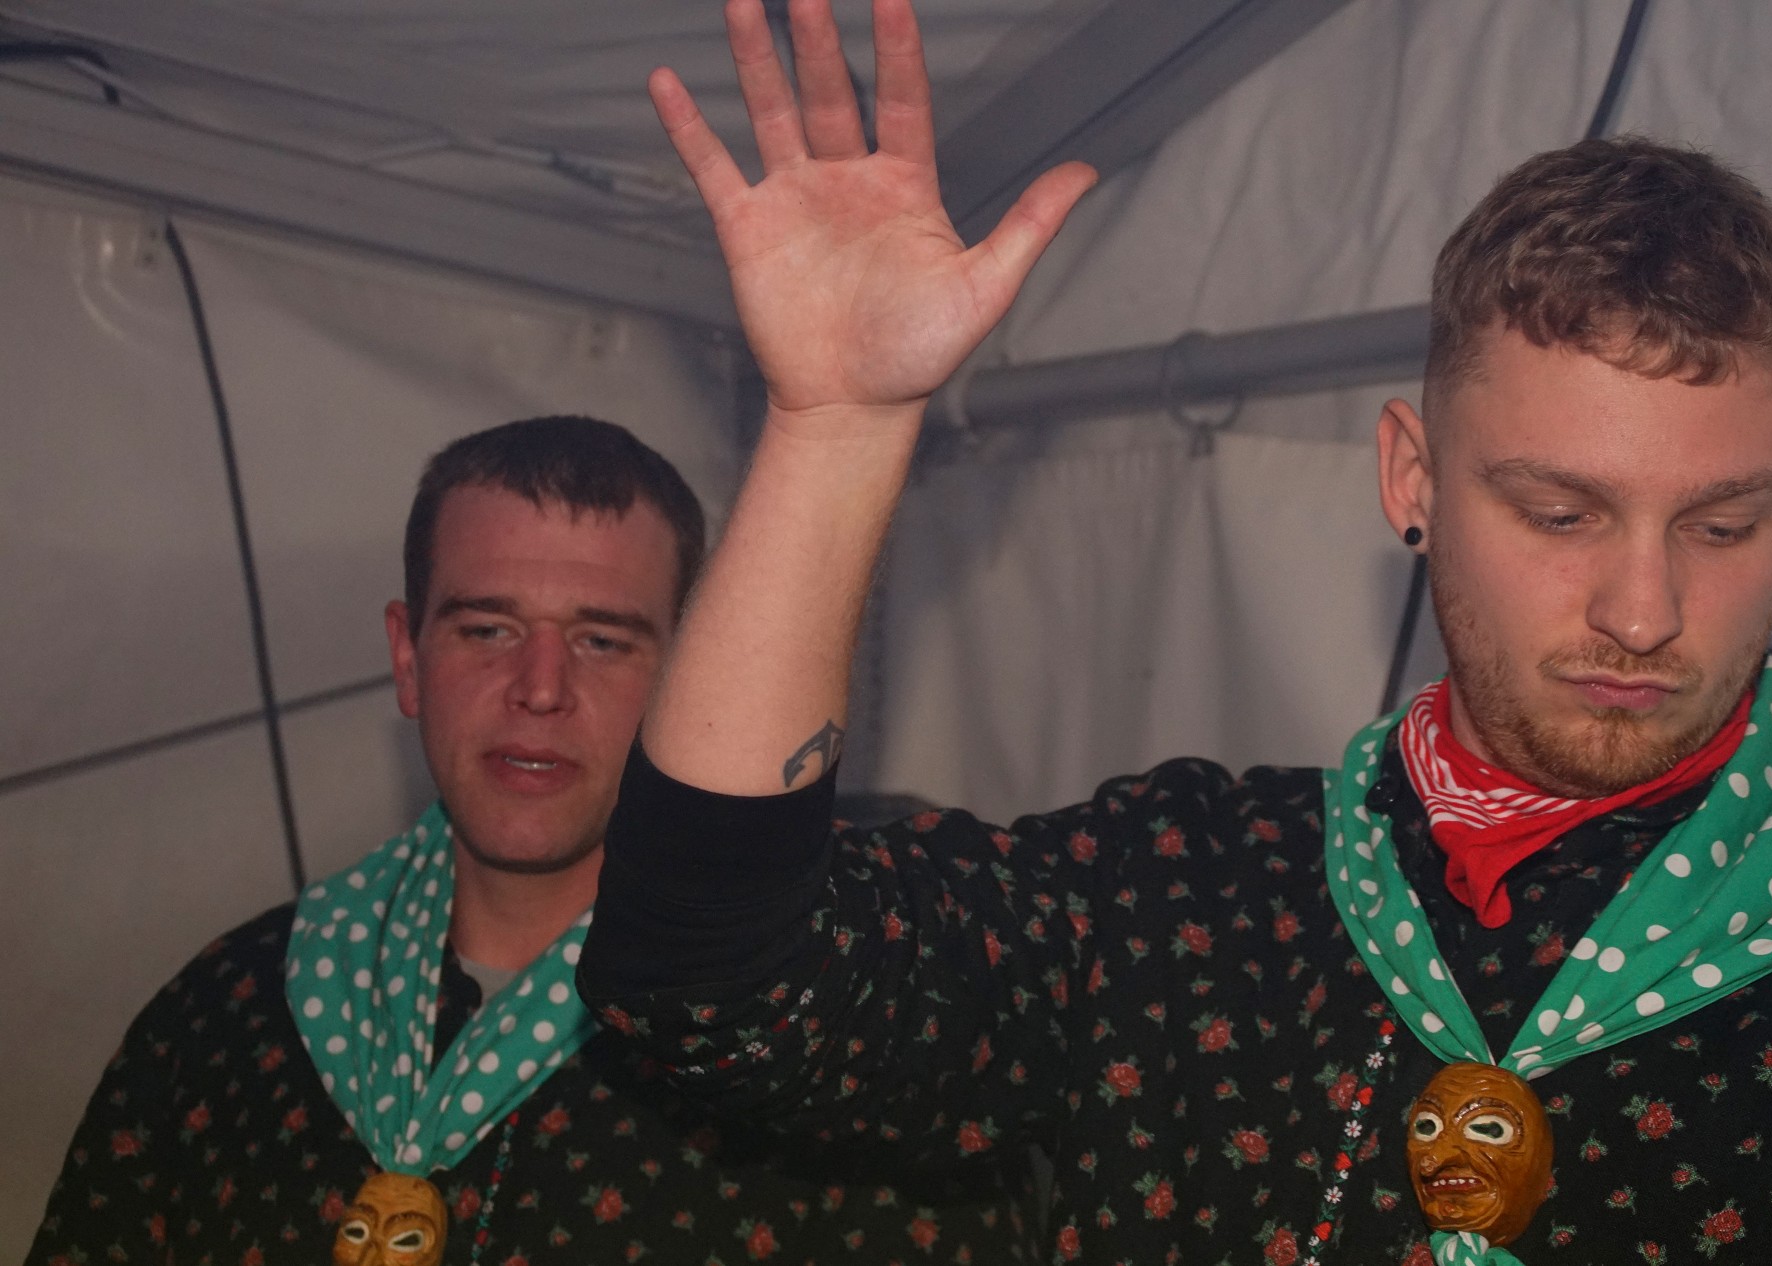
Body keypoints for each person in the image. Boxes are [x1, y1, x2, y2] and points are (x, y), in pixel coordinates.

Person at [576, 1, 1772, 1263]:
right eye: (1560, 513)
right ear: (1413, 479)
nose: (1643, 610)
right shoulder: (1189, 893)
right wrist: (834, 430)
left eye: (1722, 525)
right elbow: (707, 985)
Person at [29, 416, 1036, 1264]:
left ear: (691, 681)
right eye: (487, 629)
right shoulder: (226, 1020)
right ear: (407, 658)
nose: (541, 689)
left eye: (602, 639)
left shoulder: (816, 1049)